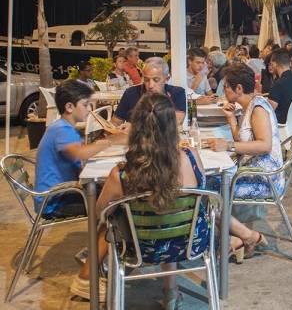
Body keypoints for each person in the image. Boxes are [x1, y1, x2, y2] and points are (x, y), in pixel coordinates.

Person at [71, 93, 206, 306]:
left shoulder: (122, 174)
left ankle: (88, 276)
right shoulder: (192, 156)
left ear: (136, 127)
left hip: (140, 246)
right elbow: (202, 188)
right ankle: (170, 291)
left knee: (115, 220)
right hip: (190, 242)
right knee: (169, 214)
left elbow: (100, 213)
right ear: (172, 125)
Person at [208, 65, 279, 259]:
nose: (223, 91)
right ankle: (237, 238)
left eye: (226, 88)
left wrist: (228, 146)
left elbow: (264, 145)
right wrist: (231, 119)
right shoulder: (249, 106)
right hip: (252, 170)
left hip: (264, 178)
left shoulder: (258, 109)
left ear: (238, 88)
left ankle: (245, 237)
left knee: (207, 195)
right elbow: (243, 141)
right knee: (207, 186)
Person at [35, 81, 123, 220]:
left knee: (111, 193)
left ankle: (105, 237)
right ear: (69, 107)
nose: (89, 109)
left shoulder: (64, 128)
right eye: (85, 104)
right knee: (116, 202)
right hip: (55, 201)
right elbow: (80, 153)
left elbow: (82, 154)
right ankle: (102, 239)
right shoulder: (61, 130)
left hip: (64, 194)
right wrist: (110, 141)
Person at [112, 57, 187, 126]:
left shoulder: (177, 93)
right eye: (146, 80)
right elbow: (115, 122)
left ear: (167, 79)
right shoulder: (131, 93)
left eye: (156, 80)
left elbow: (176, 123)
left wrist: (134, 128)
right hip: (134, 140)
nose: (150, 85)